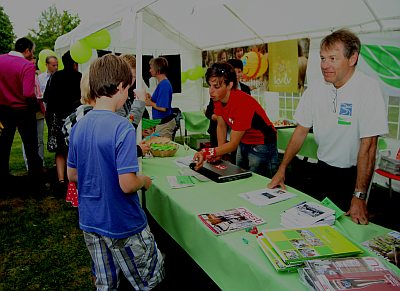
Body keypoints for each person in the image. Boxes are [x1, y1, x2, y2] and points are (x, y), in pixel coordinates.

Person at [268, 29, 388, 225]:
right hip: (322, 169)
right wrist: (282, 169)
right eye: (322, 58)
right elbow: (300, 131)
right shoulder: (316, 88)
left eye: (333, 58)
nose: (325, 65)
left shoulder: (368, 89)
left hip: (352, 175)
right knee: (316, 222)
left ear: (352, 58)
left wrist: (359, 195)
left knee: (347, 227)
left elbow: (368, 146)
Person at [67, 54, 165, 290]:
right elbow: (127, 184)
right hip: (122, 223)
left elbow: (72, 175)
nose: (130, 94)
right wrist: (144, 181)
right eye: (129, 88)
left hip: (91, 221)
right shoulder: (121, 126)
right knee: (149, 280)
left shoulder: (79, 126)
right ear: (121, 87)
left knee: (106, 282)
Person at [193, 62, 278, 178]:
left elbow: (233, 144)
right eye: (210, 85)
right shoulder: (218, 98)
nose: (211, 91)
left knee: (259, 179)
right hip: (244, 140)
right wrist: (220, 152)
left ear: (229, 85)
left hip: (262, 142)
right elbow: (221, 125)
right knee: (240, 174)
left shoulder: (241, 103)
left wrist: (207, 152)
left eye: (216, 86)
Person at [0, 37, 44, 191]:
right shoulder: (26, 65)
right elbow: (27, 93)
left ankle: (3, 180)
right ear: (26, 50)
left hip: (3, 110)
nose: (32, 55)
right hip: (23, 110)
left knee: (4, 146)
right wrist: (36, 106)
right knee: (31, 147)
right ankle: (36, 183)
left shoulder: (0, 59)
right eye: (32, 52)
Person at [44, 51, 81, 194]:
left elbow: (47, 97)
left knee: (60, 150)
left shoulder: (55, 76)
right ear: (74, 63)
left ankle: (60, 181)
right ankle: (72, 181)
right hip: (74, 118)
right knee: (72, 150)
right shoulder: (79, 77)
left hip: (57, 118)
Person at [22, 57, 47, 170]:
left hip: (38, 109)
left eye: (34, 62)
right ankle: (29, 164)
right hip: (27, 110)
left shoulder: (37, 76)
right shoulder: (23, 74)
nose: (33, 63)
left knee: (40, 139)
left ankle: (40, 162)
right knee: (27, 139)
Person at [145, 57, 176, 139]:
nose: (150, 70)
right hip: (162, 123)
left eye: (151, 68)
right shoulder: (162, 84)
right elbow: (161, 102)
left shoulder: (164, 84)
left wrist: (150, 103)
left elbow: (163, 108)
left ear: (157, 69)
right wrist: (151, 98)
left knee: (164, 149)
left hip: (165, 124)